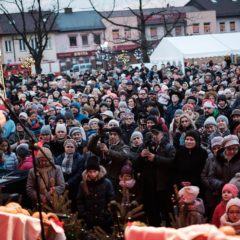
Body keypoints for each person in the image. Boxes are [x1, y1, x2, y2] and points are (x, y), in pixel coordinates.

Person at [136, 124, 176, 226]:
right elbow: (134, 163)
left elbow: (173, 163)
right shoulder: (145, 146)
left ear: (162, 134)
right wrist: (141, 156)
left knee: (168, 215)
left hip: (163, 186)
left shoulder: (168, 147)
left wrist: (156, 158)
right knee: (153, 216)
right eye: (152, 133)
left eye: (156, 134)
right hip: (149, 187)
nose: (154, 136)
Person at [76, 156, 114, 233]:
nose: (92, 174)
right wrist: (84, 214)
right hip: (89, 218)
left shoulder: (107, 183)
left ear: (98, 171)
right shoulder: (83, 184)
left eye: (94, 171)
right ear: (87, 172)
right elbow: (80, 200)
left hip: (104, 218)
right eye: (90, 172)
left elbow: (111, 199)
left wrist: (106, 213)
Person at [88, 126, 130, 191]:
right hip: (102, 177)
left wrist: (108, 151)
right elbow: (91, 147)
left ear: (119, 136)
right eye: (110, 134)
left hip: (116, 179)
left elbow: (123, 156)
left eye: (115, 134)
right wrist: (97, 136)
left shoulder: (124, 147)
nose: (112, 136)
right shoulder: (105, 144)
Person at [55, 139, 85, 211]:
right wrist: (62, 183)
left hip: (75, 185)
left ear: (75, 148)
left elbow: (79, 173)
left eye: (72, 147)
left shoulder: (80, 158)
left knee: (74, 204)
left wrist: (69, 183)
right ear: (64, 147)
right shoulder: (59, 158)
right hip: (61, 184)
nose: (69, 148)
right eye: (68, 147)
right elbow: (57, 171)